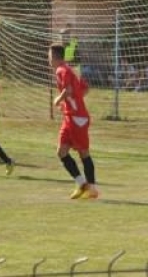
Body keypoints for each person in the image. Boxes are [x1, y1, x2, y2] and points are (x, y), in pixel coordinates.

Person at [49, 43, 97, 199]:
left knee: (84, 153)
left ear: (54, 57)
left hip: (77, 118)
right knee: (61, 152)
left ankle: (92, 188)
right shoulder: (70, 70)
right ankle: (82, 184)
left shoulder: (61, 70)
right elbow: (85, 89)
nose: (48, 59)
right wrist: (73, 101)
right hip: (70, 116)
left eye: (49, 56)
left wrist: (59, 99)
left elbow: (68, 90)